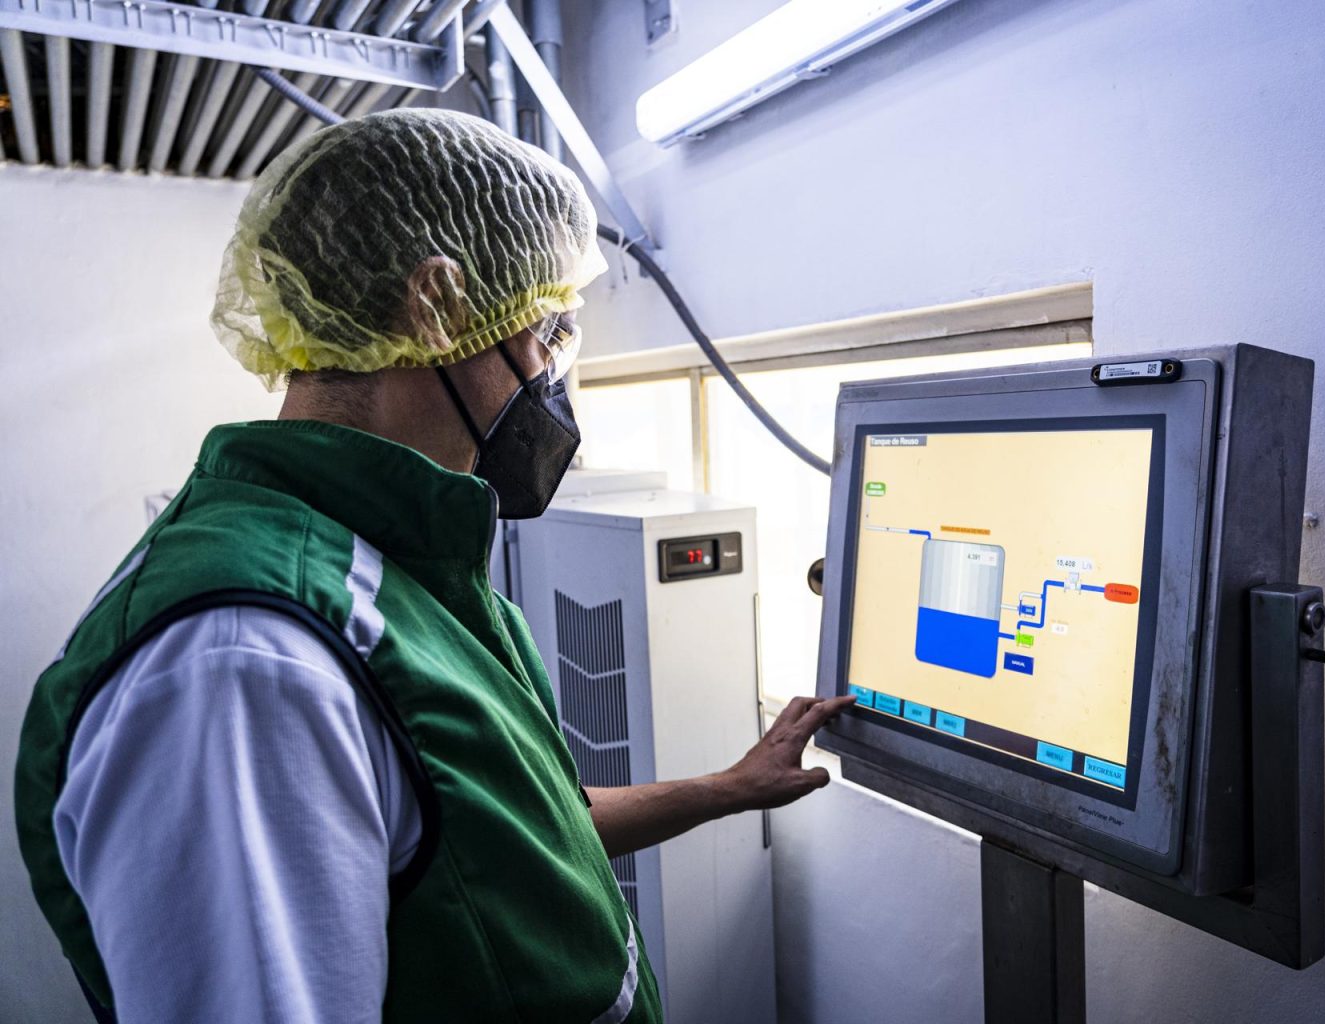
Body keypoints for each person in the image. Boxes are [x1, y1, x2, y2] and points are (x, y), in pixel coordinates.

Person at [15, 108, 853, 1024]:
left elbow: (510, 835)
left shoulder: (392, 564)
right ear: (439, 303)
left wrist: (728, 788)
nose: (552, 379)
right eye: (547, 335)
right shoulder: (247, 659)